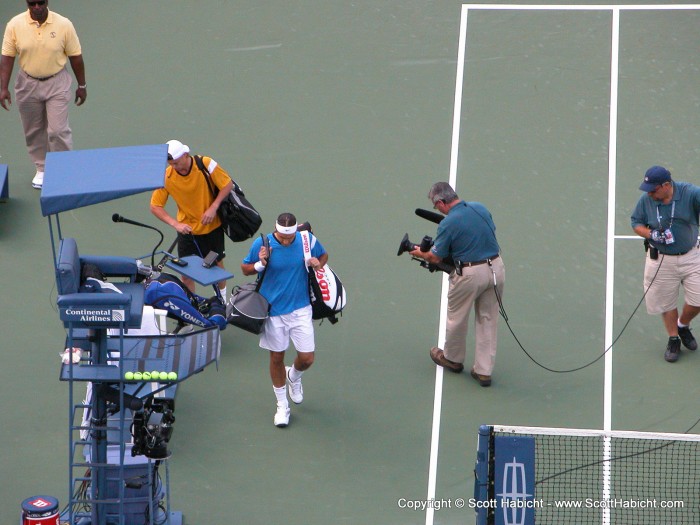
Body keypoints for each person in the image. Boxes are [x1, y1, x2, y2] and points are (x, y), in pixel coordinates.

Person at [409, 182, 505, 387]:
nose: (438, 211)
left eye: (436, 207)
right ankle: (484, 371)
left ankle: (452, 359)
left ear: (442, 202)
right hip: (496, 268)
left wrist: (418, 251)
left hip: (470, 274)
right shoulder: (480, 207)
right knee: (488, 319)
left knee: (457, 317)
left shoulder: (448, 223)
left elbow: (435, 257)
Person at [241, 213, 328, 427]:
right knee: (276, 358)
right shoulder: (262, 244)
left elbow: (324, 255)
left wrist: (318, 263)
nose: (287, 241)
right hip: (273, 312)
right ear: (276, 230)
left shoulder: (307, 240)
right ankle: (282, 406)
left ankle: (294, 376)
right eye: (283, 237)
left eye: (290, 238)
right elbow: (245, 269)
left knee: (307, 358)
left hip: (301, 309)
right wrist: (260, 264)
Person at [1, 0, 87, 189]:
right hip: (27, 83)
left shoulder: (64, 24)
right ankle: (42, 167)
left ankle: (63, 168)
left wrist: (82, 85)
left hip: (57, 82)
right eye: (33, 4)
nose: (37, 7)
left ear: (47, 2)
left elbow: (76, 57)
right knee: (33, 129)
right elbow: (7, 57)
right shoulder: (14, 25)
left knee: (57, 131)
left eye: (41, 3)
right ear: (27, 4)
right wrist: (3, 88)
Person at [631, 165, 700, 363]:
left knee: (698, 300)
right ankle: (673, 338)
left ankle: (683, 325)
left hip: (692, 256)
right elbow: (636, 222)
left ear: (667, 185)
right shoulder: (647, 200)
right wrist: (651, 234)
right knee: (666, 302)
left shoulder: (691, 193)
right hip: (660, 259)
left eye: (653, 190)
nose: (650, 194)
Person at [150, 139, 234, 301]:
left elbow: (227, 185)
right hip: (186, 233)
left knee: (216, 267)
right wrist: (176, 224)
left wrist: (213, 207)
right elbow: (155, 206)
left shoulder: (206, 164)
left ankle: (223, 301)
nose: (173, 167)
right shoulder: (167, 176)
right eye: (170, 163)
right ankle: (192, 304)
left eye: (176, 163)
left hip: (212, 229)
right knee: (186, 274)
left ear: (185, 155)